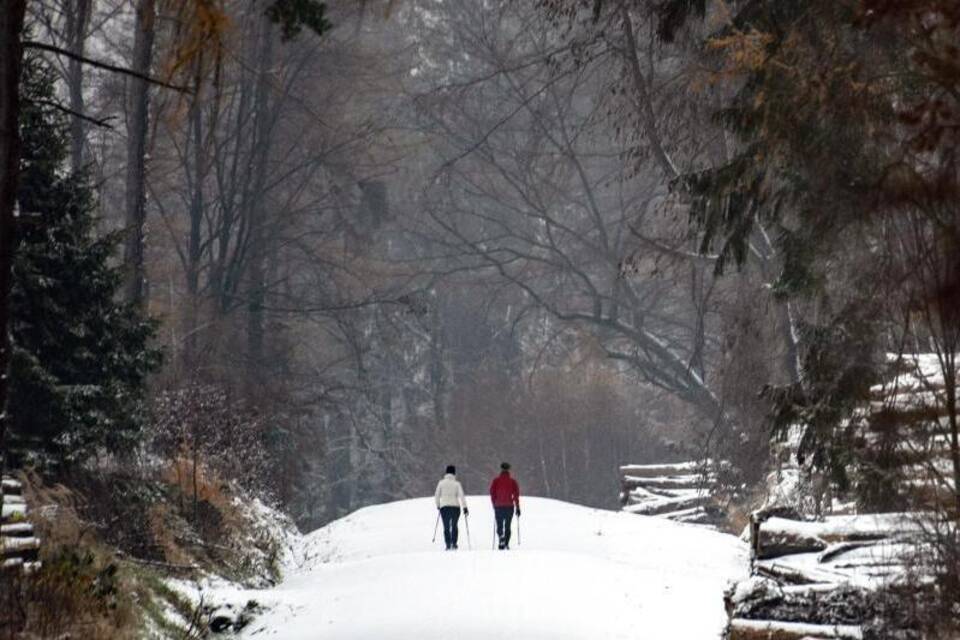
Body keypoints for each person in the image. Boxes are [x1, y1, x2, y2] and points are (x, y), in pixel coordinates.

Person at [434, 465, 468, 550]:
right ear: (454, 473)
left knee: (446, 526)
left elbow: (437, 495)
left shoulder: (441, 483)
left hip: (444, 507)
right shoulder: (457, 484)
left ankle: (448, 544)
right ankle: (454, 543)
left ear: (446, 472)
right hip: (455, 507)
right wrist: (465, 507)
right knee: (454, 525)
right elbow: (461, 496)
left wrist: (438, 505)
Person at [489, 462, 520, 550]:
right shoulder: (513, 482)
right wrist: (517, 507)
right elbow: (516, 495)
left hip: (498, 506)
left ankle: (501, 537)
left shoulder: (496, 481)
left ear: (501, 469)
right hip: (509, 506)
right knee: (507, 526)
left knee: (499, 524)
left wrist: (494, 503)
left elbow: (492, 493)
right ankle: (506, 543)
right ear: (509, 470)